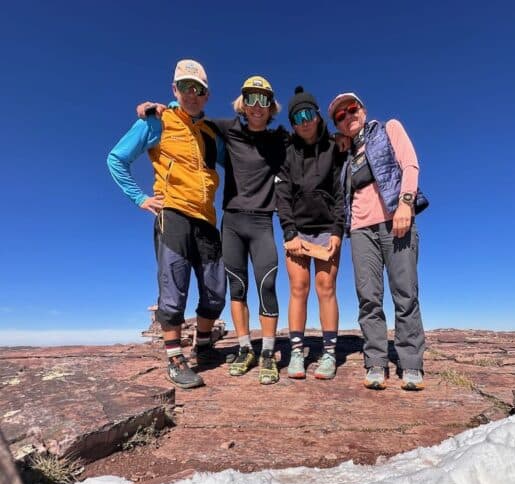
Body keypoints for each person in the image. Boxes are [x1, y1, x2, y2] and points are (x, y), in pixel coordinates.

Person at [136, 76, 287, 384]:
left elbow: (310, 139)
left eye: (264, 100)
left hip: (257, 221)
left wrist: (335, 138)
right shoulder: (225, 128)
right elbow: (187, 116)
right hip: (226, 220)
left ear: (271, 106)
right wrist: (156, 108)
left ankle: (264, 353)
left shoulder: (277, 140)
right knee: (232, 288)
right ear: (242, 103)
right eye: (251, 98)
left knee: (259, 286)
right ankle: (238, 350)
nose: (257, 106)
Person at [107, 59, 226, 389]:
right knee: (173, 293)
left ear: (206, 95)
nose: (192, 93)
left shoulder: (210, 134)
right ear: (175, 89)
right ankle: (175, 357)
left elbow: (241, 156)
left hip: (206, 219)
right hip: (172, 213)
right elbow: (116, 159)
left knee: (215, 294)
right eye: (185, 87)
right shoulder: (157, 121)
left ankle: (203, 345)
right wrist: (140, 198)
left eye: (198, 89)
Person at [328, 92, 426, 391]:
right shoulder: (344, 153)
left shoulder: (388, 129)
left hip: (396, 221)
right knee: (368, 298)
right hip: (360, 230)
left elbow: (409, 164)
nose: (347, 116)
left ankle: (410, 365)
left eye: (352, 109)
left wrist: (405, 204)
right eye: (340, 116)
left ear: (363, 109)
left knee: (404, 293)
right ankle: (375, 362)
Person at [275, 86, 345, 380]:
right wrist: (289, 231)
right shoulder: (286, 152)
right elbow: (282, 195)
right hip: (298, 231)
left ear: (317, 116)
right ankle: (296, 353)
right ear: (292, 123)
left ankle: (329, 353)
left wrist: (338, 230)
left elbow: (341, 192)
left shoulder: (334, 147)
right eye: (297, 117)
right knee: (298, 288)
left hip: (327, 229)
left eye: (308, 114)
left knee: (325, 288)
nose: (304, 121)